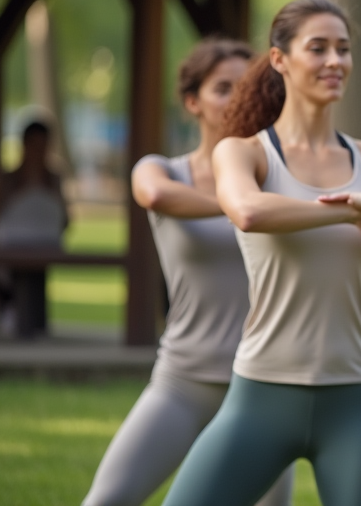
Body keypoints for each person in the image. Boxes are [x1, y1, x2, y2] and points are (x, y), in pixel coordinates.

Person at [162, 0, 361, 506]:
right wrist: (353, 210)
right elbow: (249, 212)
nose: (335, 61)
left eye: (344, 49)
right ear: (279, 60)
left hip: (353, 397)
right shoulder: (242, 153)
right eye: (318, 47)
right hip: (261, 393)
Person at [82, 39, 293, 506]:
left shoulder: (281, 181)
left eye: (247, 88)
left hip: (265, 387)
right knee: (107, 500)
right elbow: (153, 196)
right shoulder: (164, 171)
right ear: (192, 101)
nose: (237, 98)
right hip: (183, 381)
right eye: (223, 88)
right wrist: (244, 206)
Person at [0, 119, 69, 337]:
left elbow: (66, 220)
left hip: (47, 242)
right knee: (19, 270)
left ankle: (29, 322)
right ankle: (19, 315)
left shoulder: (54, 179)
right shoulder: (8, 179)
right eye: (34, 145)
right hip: (11, 243)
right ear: (24, 145)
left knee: (33, 272)